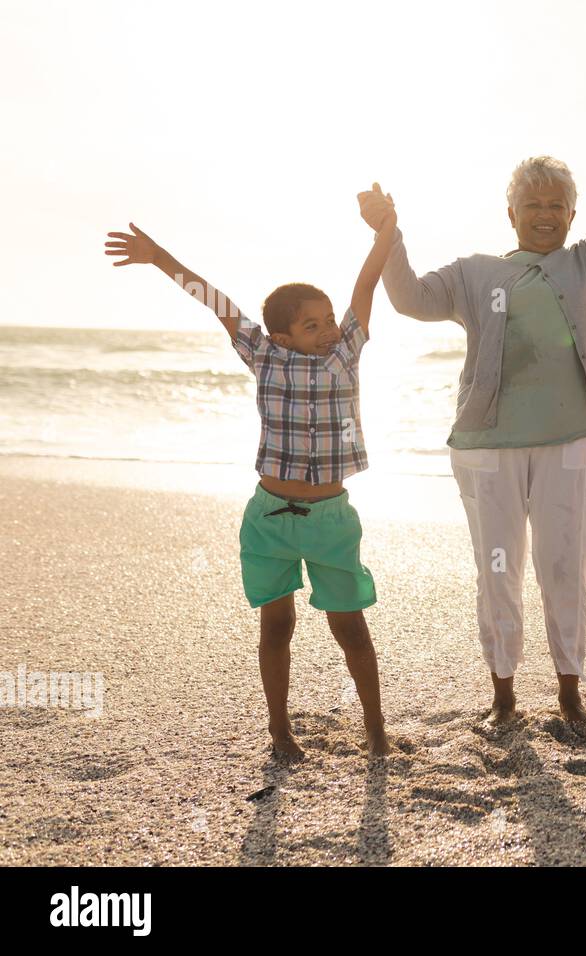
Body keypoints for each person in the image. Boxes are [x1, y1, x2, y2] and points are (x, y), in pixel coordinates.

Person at [357, 83, 586, 726]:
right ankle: (503, 692)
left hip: (570, 441)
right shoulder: (476, 275)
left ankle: (569, 691)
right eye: (532, 203)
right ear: (511, 212)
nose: (545, 213)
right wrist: (390, 233)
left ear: (572, 213)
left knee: (566, 566)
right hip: (487, 448)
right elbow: (411, 298)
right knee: (497, 568)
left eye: (557, 204)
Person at [103, 209, 399, 761]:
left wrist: (386, 230)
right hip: (269, 518)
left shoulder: (345, 353)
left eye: (329, 318)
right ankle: (280, 730)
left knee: (351, 629)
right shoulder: (262, 353)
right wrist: (157, 257)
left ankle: (376, 727)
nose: (327, 328)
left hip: (332, 520)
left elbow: (365, 284)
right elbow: (214, 301)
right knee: (277, 625)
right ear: (282, 334)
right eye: (312, 324)